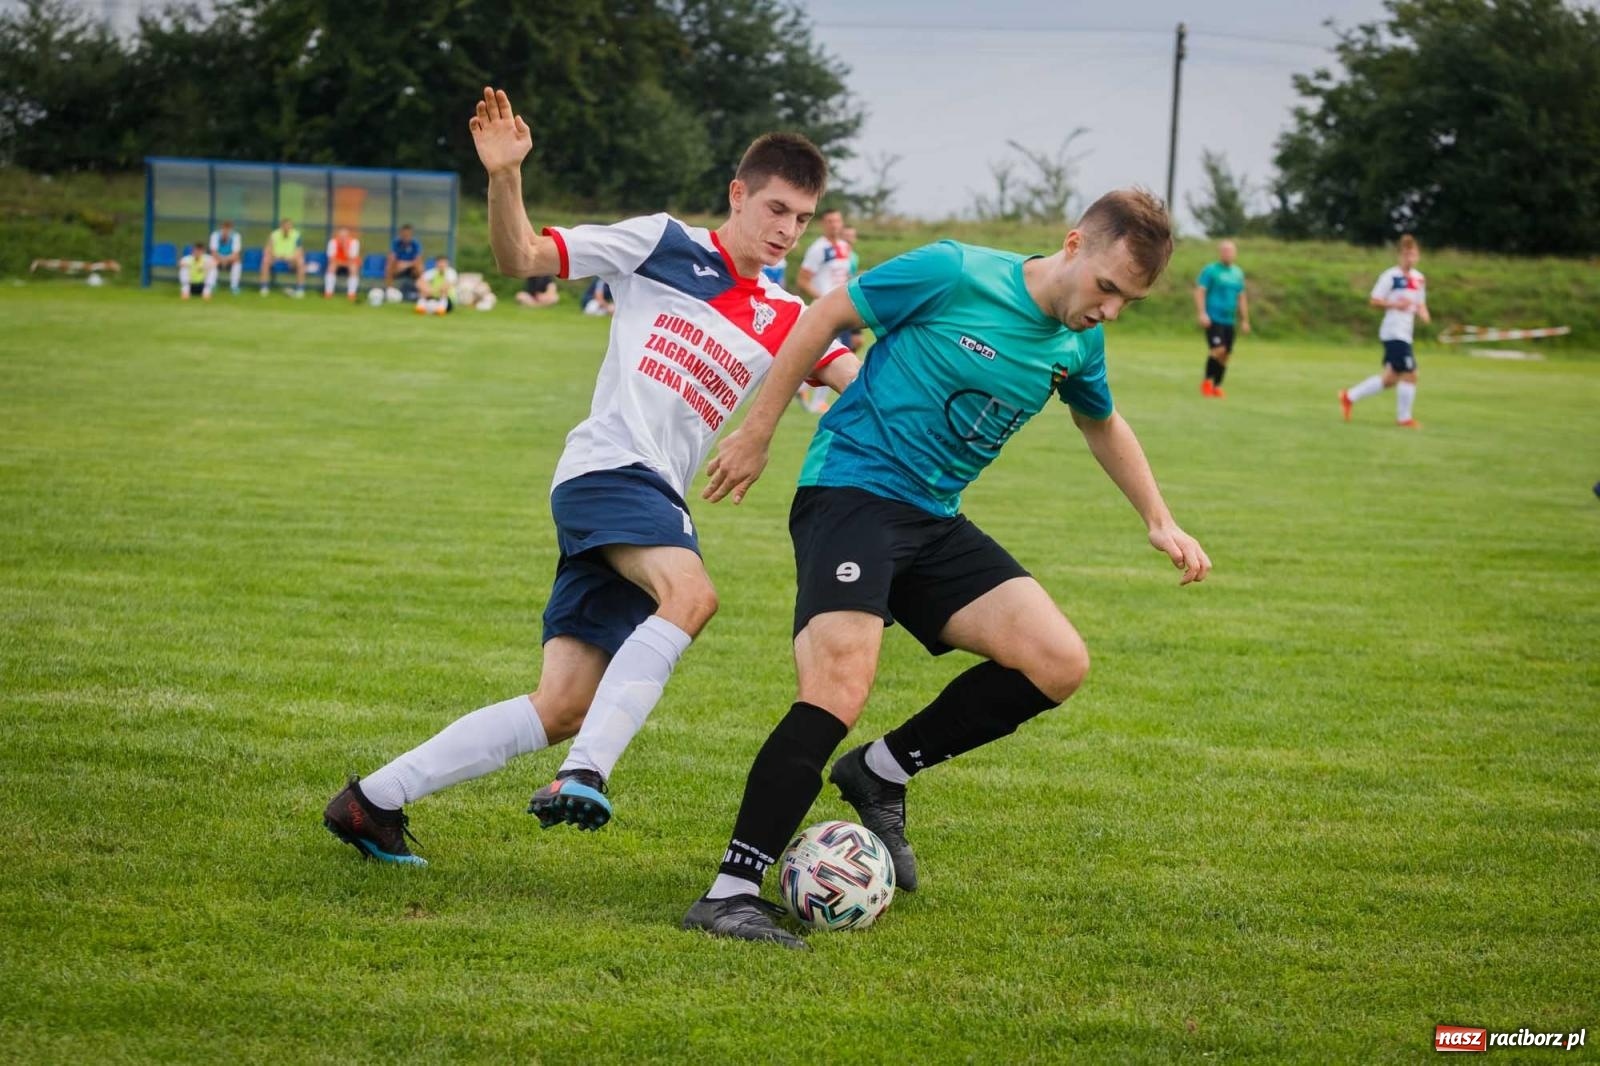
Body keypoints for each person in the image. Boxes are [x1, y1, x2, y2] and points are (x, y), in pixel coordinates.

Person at [322, 86, 858, 865]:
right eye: (777, 208)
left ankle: (371, 801)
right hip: (610, 469)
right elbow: (520, 259)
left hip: (646, 494)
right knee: (692, 597)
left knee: (563, 703)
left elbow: (856, 381)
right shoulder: (662, 241)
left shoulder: (785, 315)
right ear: (738, 195)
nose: (787, 229)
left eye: (802, 219)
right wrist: (505, 176)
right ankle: (585, 773)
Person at [681, 188, 1211, 948]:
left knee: (1057, 661)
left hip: (933, 519)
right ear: (1073, 245)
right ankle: (730, 891)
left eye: (1128, 301)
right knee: (838, 686)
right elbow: (823, 316)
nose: (1110, 311)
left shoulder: (1078, 343)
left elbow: (1101, 420)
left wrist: (1159, 519)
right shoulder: (956, 272)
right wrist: (758, 431)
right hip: (853, 493)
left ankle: (881, 771)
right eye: (1106, 288)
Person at [1340, 234, 1430, 428]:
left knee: (1390, 379)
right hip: (1393, 332)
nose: (1409, 258)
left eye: (1413, 254)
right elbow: (1374, 301)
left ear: (1418, 256)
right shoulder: (1390, 276)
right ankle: (1404, 418)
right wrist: (1395, 304)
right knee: (1411, 373)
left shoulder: (1419, 278)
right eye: (1406, 254)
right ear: (1400, 255)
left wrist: (1424, 314)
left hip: (1406, 333)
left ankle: (1349, 396)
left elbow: (1420, 303)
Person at [1193, 239, 1250, 397]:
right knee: (1218, 349)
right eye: (1225, 251)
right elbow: (1200, 291)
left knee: (1226, 355)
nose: (1227, 254)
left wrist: (1245, 320)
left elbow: (1241, 297)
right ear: (1220, 253)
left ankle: (1217, 386)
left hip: (1229, 320)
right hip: (1213, 318)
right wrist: (1202, 313)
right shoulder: (1211, 270)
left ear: (1235, 253)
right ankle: (1207, 382)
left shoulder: (1237, 273)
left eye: (1230, 251)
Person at [259, 217, 305, 297]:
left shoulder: (296, 235)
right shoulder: (274, 234)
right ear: (281, 226)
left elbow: (299, 251)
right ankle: (264, 287)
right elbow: (268, 248)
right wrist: (274, 256)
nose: (287, 228)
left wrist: (291, 258)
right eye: (285, 226)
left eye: (289, 226)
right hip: (276, 258)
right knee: (265, 260)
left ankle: (300, 289)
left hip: (290, 260)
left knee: (301, 262)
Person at [323, 227, 362, 301]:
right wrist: (341, 262)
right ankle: (328, 292)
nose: (343, 238)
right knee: (331, 267)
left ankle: (351, 293)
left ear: (348, 236)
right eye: (341, 236)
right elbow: (331, 259)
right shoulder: (332, 242)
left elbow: (352, 258)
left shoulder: (354, 242)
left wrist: (345, 248)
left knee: (353, 268)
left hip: (349, 263)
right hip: (337, 263)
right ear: (338, 236)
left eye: (345, 236)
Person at [208, 220, 243, 295]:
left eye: (228, 229)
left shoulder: (236, 236)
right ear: (221, 228)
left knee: (237, 262)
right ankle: (211, 285)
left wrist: (226, 259)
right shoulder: (215, 235)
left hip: (230, 258)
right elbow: (213, 252)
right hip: (218, 258)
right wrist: (221, 259)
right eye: (224, 228)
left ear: (231, 229)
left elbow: (236, 254)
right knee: (212, 261)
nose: (226, 231)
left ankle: (234, 286)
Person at [386, 224, 424, 289]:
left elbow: (418, 259)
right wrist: (398, 264)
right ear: (401, 234)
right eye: (404, 235)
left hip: (411, 267)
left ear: (411, 235)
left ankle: (421, 289)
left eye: (408, 235)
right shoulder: (396, 242)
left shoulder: (416, 243)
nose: (406, 237)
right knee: (389, 265)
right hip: (398, 266)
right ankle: (390, 289)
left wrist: (406, 265)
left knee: (420, 267)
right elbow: (392, 257)